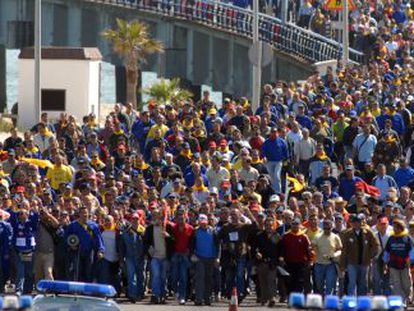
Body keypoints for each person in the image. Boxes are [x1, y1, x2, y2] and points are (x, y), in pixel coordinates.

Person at [339, 214, 380, 296]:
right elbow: (344, 250)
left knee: (363, 282)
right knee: (352, 282)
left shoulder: (368, 232)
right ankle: (351, 299)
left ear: (361, 222)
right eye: (354, 222)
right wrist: (342, 265)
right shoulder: (347, 234)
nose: (356, 224)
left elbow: (376, 245)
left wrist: (370, 255)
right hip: (351, 262)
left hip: (364, 262)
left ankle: (362, 299)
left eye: (358, 222)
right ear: (351, 223)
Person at [64, 206, 105, 282]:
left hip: (90, 252)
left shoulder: (93, 226)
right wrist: (71, 245)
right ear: (79, 214)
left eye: (86, 212)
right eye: (82, 213)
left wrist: (101, 250)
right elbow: (66, 238)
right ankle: (77, 289)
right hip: (77, 252)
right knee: (77, 271)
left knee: (89, 271)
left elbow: (98, 239)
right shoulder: (73, 225)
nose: (84, 214)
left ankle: (88, 290)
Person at [144, 209, 175, 304]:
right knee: (156, 276)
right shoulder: (150, 228)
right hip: (155, 257)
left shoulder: (168, 227)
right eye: (154, 215)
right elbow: (145, 242)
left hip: (165, 257)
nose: (155, 217)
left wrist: (168, 236)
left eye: (158, 215)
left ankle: (163, 295)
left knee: (163, 276)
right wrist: (150, 251)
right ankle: (155, 295)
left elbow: (174, 241)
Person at [383, 218, 414, 305]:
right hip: (393, 264)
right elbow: (387, 251)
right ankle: (402, 301)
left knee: (407, 284)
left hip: (405, 264)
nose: (394, 229)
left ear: (400, 228)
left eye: (396, 227)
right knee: (396, 284)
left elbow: (412, 250)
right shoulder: (391, 238)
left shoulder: (407, 238)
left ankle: (408, 298)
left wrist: (410, 260)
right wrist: (385, 263)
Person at [191, 214, 220, 306]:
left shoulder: (213, 231)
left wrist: (217, 258)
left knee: (209, 279)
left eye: (204, 222)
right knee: (200, 278)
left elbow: (218, 246)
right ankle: (199, 299)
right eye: (201, 223)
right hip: (200, 258)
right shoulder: (195, 232)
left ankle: (207, 298)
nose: (203, 224)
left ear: (207, 222)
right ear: (199, 223)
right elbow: (191, 245)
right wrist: (193, 254)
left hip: (211, 258)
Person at [278, 218, 312, 294]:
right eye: (293, 224)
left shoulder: (304, 237)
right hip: (288, 263)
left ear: (300, 225)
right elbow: (281, 249)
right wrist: (281, 259)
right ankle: (290, 298)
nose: (295, 226)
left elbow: (308, 250)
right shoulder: (286, 236)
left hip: (301, 263)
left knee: (299, 282)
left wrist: (309, 260)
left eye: (297, 224)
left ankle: (297, 299)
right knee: (289, 281)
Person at [119, 212, 146, 303]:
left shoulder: (143, 231)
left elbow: (147, 245)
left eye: (136, 219)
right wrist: (121, 258)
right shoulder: (125, 232)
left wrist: (146, 256)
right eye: (133, 219)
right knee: (131, 277)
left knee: (141, 276)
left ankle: (140, 294)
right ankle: (132, 295)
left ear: (139, 220)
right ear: (130, 220)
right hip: (129, 257)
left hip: (141, 257)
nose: (135, 221)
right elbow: (121, 247)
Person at [254, 216, 280, 306]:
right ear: (264, 225)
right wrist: (257, 253)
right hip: (261, 262)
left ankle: (272, 298)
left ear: (274, 226)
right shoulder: (259, 236)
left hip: (272, 262)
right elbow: (255, 247)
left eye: (271, 225)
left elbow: (280, 249)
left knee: (271, 280)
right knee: (263, 281)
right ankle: (264, 298)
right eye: (267, 225)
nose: (269, 227)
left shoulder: (277, 236)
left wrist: (280, 258)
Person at [312, 219, 342, 295]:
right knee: (319, 283)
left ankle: (328, 298)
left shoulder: (335, 237)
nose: (326, 230)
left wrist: (334, 255)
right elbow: (312, 247)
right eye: (325, 228)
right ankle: (322, 296)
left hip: (330, 264)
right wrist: (313, 251)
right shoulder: (317, 236)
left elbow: (340, 250)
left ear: (331, 228)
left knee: (330, 283)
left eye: (328, 228)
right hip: (319, 263)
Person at [261, 127, 289, 193]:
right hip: (269, 161)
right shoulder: (266, 142)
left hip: (278, 161)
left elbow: (285, 151)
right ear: (270, 133)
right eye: (272, 132)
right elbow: (263, 151)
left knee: (276, 175)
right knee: (271, 177)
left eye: (275, 132)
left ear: (277, 133)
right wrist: (264, 157)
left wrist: (286, 159)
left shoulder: (282, 141)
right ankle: (273, 190)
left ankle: (278, 191)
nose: (274, 133)